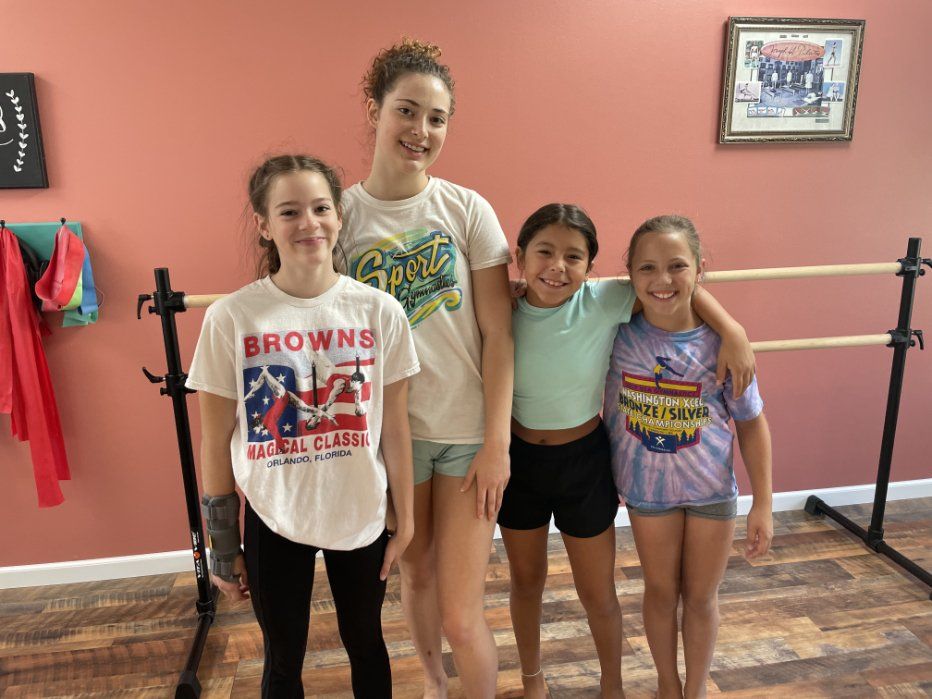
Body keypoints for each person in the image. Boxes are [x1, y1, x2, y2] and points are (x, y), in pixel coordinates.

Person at [188, 155, 419, 697]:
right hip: (274, 516)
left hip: (360, 511)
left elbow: (396, 429)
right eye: (289, 211)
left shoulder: (379, 311)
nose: (308, 223)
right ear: (265, 225)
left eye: (320, 208)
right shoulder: (230, 319)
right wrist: (222, 544)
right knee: (283, 658)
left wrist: (405, 519)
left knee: (365, 641)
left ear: (339, 216)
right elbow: (214, 440)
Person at [503, 205, 756, 699]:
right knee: (526, 580)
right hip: (519, 460)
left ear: (592, 268)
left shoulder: (605, 301)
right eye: (544, 253)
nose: (558, 266)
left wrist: (733, 330)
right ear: (520, 258)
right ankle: (533, 679)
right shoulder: (502, 307)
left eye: (573, 256)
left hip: (585, 461)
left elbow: (674, 285)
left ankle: (612, 687)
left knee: (598, 591)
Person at [338, 39, 513, 698]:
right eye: (407, 111)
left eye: (436, 118)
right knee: (413, 577)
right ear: (375, 110)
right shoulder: (343, 217)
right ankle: (435, 684)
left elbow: (499, 333)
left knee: (462, 614)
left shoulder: (467, 209)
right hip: (394, 439)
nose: (421, 131)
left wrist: (498, 441)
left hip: (468, 435)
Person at [604, 215, 773, 699]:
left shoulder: (723, 346)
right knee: (660, 592)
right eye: (647, 268)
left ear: (700, 271)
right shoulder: (615, 330)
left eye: (677, 266)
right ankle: (666, 685)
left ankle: (695, 690)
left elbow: (752, 422)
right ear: (630, 275)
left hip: (711, 494)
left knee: (700, 598)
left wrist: (763, 502)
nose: (662, 280)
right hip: (647, 493)